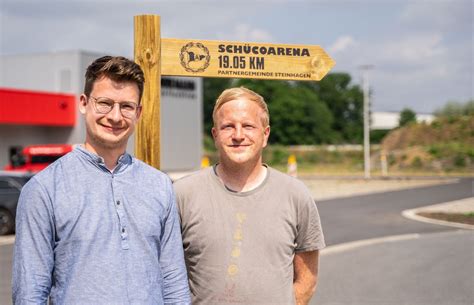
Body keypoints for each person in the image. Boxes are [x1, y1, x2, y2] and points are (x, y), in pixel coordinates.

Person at [13, 56, 191, 304]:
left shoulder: (159, 186)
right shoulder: (43, 190)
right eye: (105, 103)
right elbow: (30, 291)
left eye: (127, 106)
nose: (116, 116)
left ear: (138, 112)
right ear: (84, 103)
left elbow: (173, 281)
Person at [174, 87, 325, 305]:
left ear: (265, 135)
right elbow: (166, 273)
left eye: (248, 126)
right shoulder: (183, 194)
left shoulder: (296, 195)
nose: (238, 135)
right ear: (215, 135)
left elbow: (307, 277)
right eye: (228, 127)